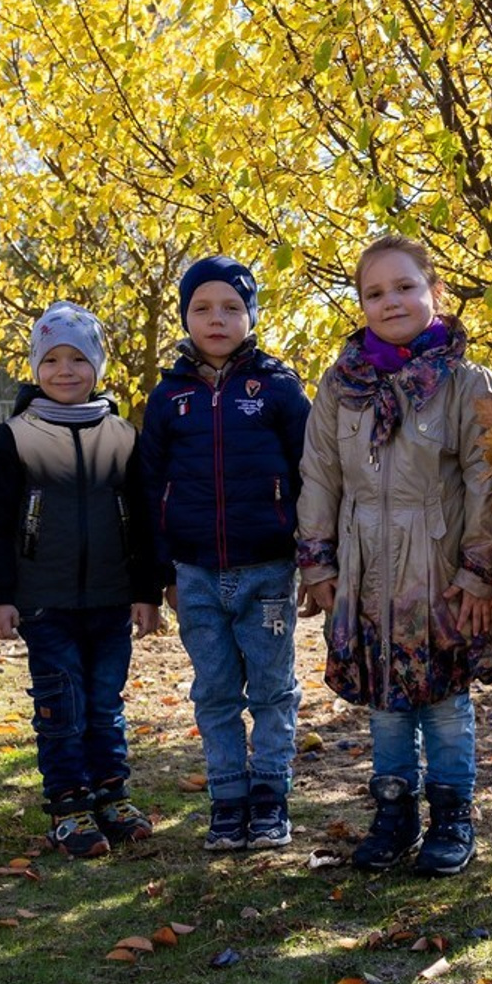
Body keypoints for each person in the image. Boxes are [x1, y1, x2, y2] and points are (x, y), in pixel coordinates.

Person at [296, 234, 492, 876]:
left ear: (434, 292)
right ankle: (394, 812)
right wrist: (318, 561)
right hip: (365, 568)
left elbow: (485, 481)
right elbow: (320, 474)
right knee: (386, 703)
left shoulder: (466, 382)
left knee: (444, 702)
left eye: (405, 286)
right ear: (361, 303)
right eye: (374, 292)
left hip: (439, 569)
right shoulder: (341, 385)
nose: (390, 300)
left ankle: (451, 815)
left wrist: (479, 571)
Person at [0, 301, 162, 858]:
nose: (65, 371)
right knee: (61, 705)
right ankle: (68, 804)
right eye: (52, 359)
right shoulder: (17, 437)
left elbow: (144, 520)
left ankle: (112, 795)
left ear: (97, 368)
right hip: (43, 600)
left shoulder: (122, 436)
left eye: (78, 359)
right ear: (36, 367)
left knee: (105, 703)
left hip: (110, 599)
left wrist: (146, 591)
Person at [139, 258, 310, 851]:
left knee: (272, 689)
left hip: (268, 571)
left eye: (232, 308)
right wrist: (160, 574)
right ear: (185, 317)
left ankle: (269, 796)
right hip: (195, 576)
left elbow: (312, 475)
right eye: (203, 308)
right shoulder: (168, 397)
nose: (218, 319)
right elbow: (149, 488)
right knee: (213, 692)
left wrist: (315, 557)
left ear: (252, 315)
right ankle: (228, 798)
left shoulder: (279, 388)